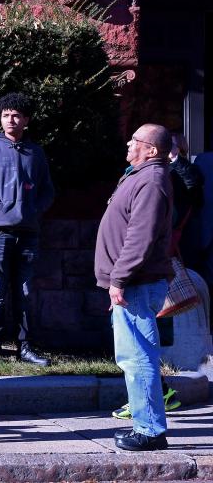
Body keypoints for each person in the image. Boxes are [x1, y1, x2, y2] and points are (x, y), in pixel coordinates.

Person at [95, 123, 175, 452]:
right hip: (133, 284)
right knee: (133, 355)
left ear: (152, 150)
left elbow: (139, 238)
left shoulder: (152, 181)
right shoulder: (140, 175)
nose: (129, 143)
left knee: (138, 357)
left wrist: (119, 279)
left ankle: (150, 430)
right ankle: (146, 424)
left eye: (136, 140)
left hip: (136, 285)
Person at [0, 92, 54, 367]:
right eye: (6, 115)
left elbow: (46, 190)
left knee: (25, 291)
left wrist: (33, 210)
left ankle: (25, 347)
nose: (10, 119)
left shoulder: (36, 153)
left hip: (28, 232)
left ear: (26, 120)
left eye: (16, 115)